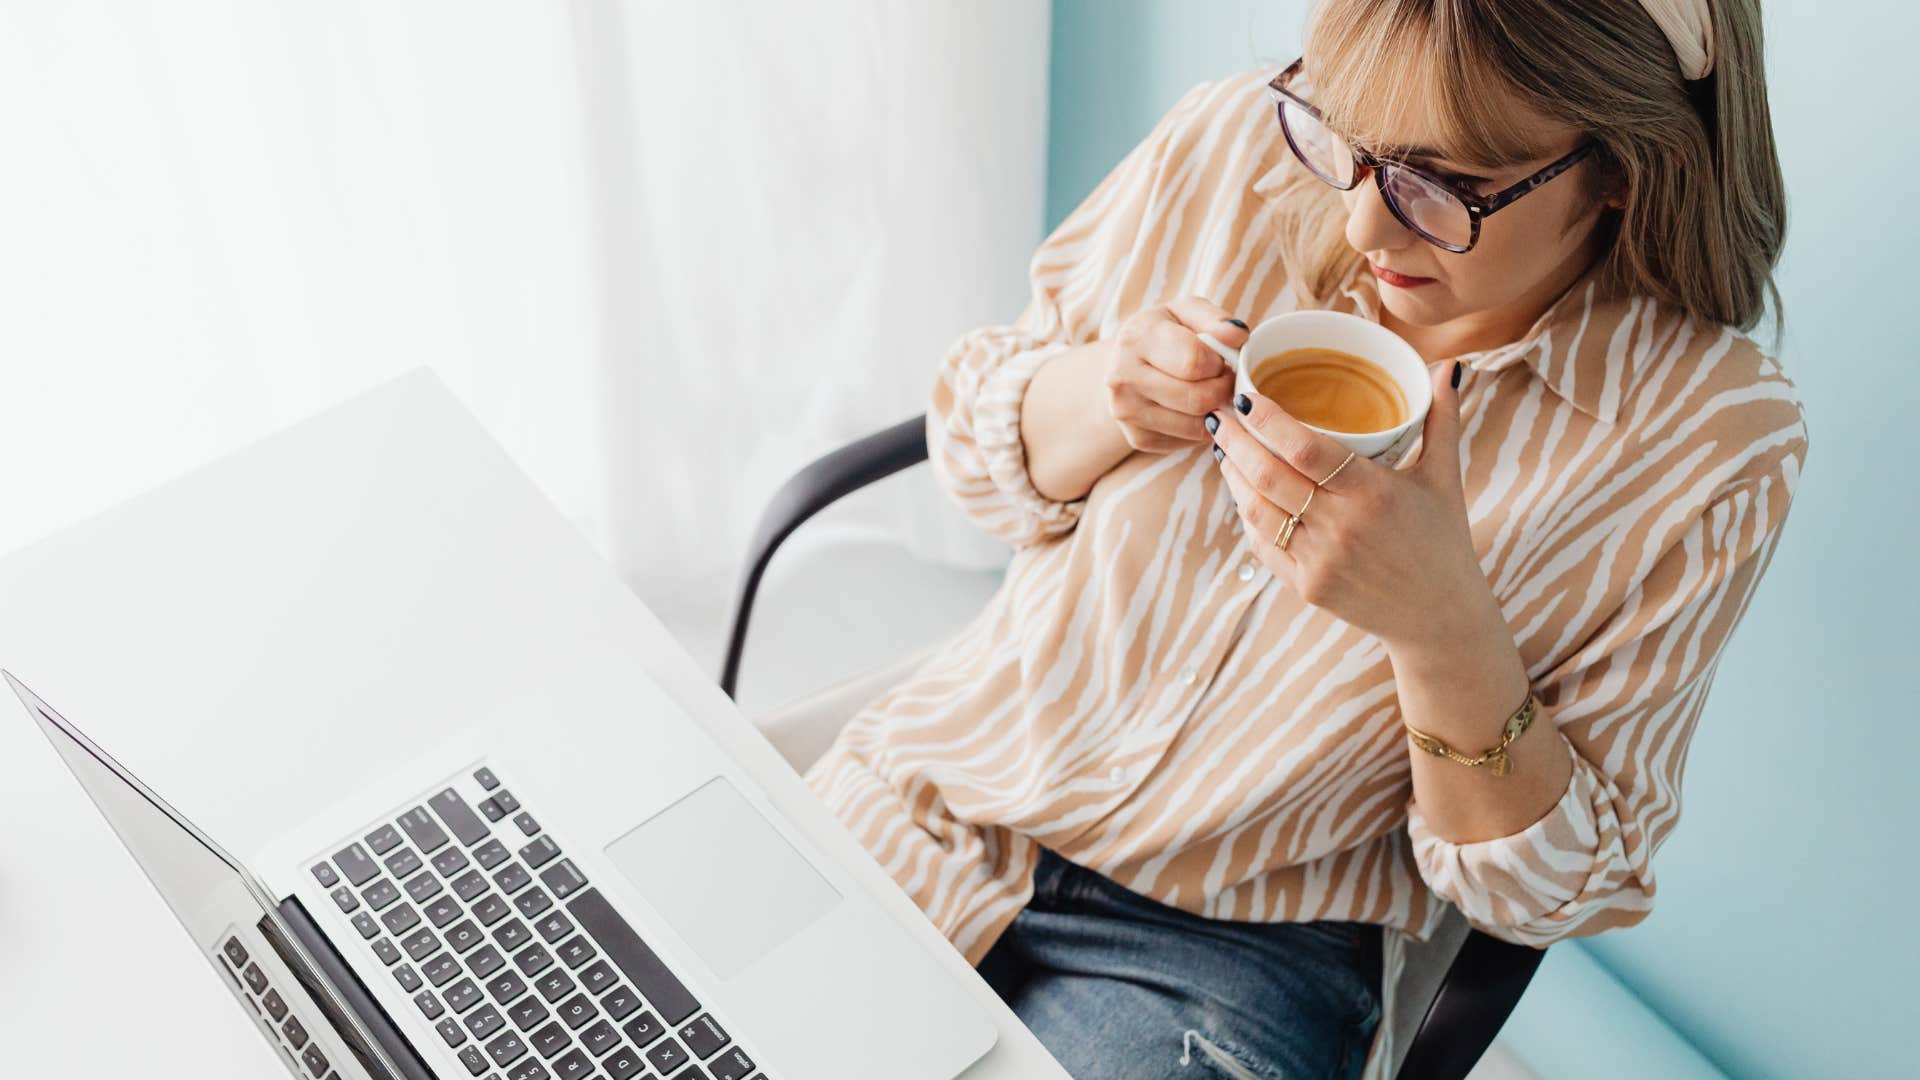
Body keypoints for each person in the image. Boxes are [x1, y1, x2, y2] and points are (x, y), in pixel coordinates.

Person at [803, 0, 1808, 1076]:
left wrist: (1441, 629)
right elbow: (970, 454)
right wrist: (1106, 392)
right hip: (946, 792)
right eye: (1347, 139)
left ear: (1625, 166)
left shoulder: (1708, 440)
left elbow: (1551, 892)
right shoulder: (1235, 143)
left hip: (1231, 953)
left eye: (1443, 184)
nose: (1365, 226)